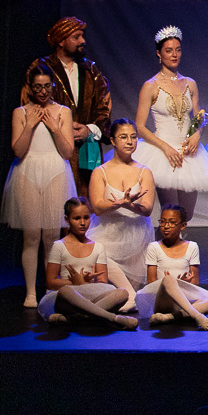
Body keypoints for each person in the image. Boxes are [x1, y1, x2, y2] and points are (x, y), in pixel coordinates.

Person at [3, 59, 77, 308]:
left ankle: (49, 289)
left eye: (47, 86)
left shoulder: (63, 112)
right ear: (30, 87)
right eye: (38, 87)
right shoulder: (20, 112)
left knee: (52, 236)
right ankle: (30, 293)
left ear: (53, 85)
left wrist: (55, 128)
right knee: (32, 235)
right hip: (28, 171)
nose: (43, 91)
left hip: (56, 170)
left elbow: (67, 152)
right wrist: (31, 125)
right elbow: (18, 150)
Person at [132, 26, 208, 223]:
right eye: (168, 50)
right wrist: (165, 148)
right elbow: (140, 126)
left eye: (178, 49)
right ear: (159, 53)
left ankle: (181, 243)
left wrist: (197, 134)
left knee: (186, 214)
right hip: (162, 152)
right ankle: (164, 243)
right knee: (170, 213)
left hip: (188, 152)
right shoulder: (150, 85)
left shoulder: (190, 83)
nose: (174, 54)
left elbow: (197, 116)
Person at [38, 17, 112, 195]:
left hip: (86, 150)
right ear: (61, 41)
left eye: (82, 36)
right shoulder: (42, 68)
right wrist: (60, 127)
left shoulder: (91, 70)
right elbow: (33, 105)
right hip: (54, 149)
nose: (82, 41)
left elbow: (104, 106)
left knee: (88, 200)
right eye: (76, 37)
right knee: (58, 200)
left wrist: (89, 129)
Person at [39, 197, 137, 328]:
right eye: (77, 218)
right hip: (70, 297)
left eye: (86, 218)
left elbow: (102, 282)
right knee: (65, 291)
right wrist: (75, 282)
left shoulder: (98, 247)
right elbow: (50, 282)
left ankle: (75, 319)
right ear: (67, 219)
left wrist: (86, 282)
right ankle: (113, 318)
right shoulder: (59, 246)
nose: (82, 223)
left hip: (91, 293)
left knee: (122, 293)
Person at [87, 118, 154, 306]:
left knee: (126, 297)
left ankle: (129, 296)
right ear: (113, 140)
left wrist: (128, 205)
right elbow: (97, 208)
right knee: (96, 252)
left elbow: (147, 209)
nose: (129, 142)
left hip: (136, 235)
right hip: (108, 232)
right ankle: (130, 295)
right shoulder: (100, 171)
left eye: (133, 137)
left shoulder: (144, 171)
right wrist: (118, 204)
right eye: (123, 137)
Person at [136, 204, 208, 328]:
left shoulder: (192, 246)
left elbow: (195, 284)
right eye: (163, 222)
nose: (166, 226)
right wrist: (171, 283)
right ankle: (196, 316)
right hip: (162, 300)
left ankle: (169, 317)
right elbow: (151, 283)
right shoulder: (154, 247)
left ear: (183, 225)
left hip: (183, 300)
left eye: (172, 222)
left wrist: (184, 283)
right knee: (168, 279)